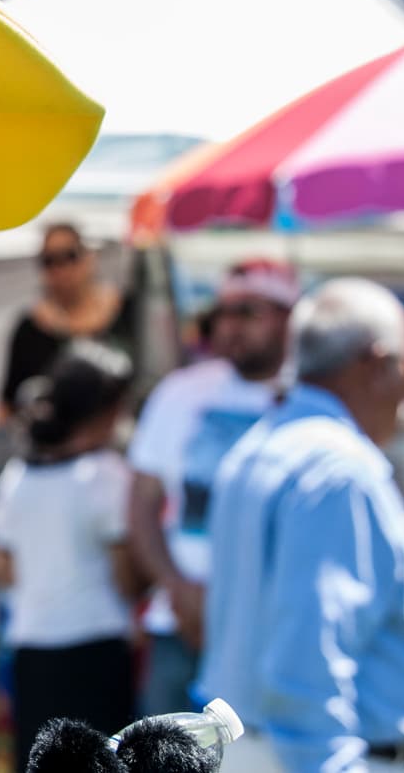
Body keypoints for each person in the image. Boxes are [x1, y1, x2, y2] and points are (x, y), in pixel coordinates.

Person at [198, 278, 404, 773]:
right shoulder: (340, 470)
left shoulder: (258, 446)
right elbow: (307, 650)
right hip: (316, 756)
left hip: (243, 748)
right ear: (375, 363)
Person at [126, 258, 299, 716]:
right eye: (225, 311)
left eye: (250, 312)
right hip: (180, 625)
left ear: (289, 320)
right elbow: (141, 505)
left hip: (269, 632)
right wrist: (176, 586)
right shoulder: (180, 393)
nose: (232, 326)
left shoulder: (306, 401)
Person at [0, 340, 142, 773]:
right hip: (98, 651)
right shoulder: (107, 477)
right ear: (109, 408)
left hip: (32, 653)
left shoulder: (16, 478)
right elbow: (127, 579)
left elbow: (2, 570)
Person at [0, 223, 131, 421]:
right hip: (53, 446)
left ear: (89, 257)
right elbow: (6, 405)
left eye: (70, 256)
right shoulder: (31, 328)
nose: (61, 269)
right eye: (49, 261)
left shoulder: (125, 311)